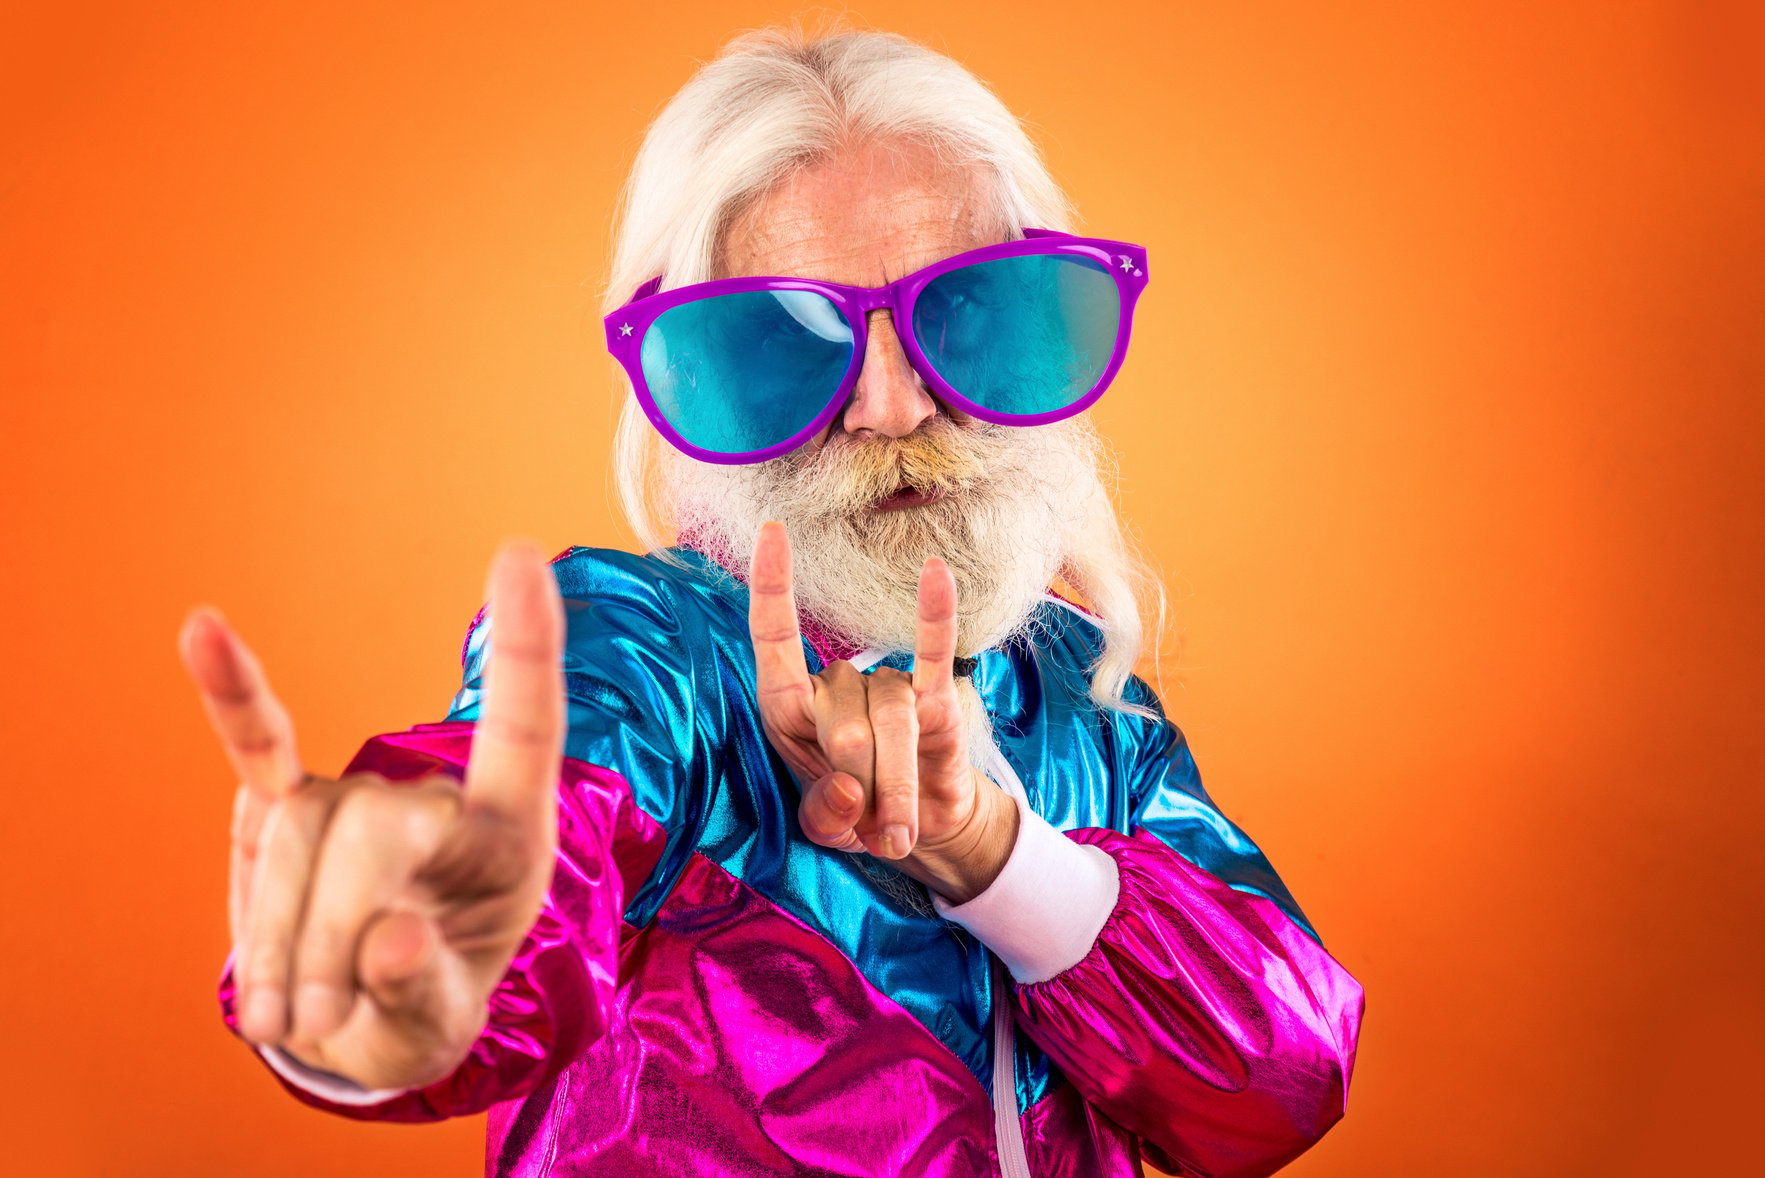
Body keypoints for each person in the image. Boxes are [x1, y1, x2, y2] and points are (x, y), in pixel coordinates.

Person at [181, 26, 1364, 1178]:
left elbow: (1279, 1085)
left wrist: (998, 858)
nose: (894, 408)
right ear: (687, 381)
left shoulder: (1094, 709)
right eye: (783, 346)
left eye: (964, 317)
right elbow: (543, 799)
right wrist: (408, 941)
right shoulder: (653, 654)